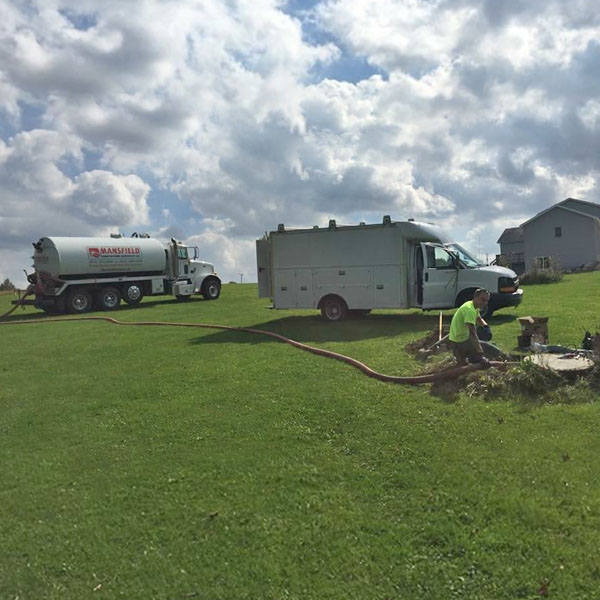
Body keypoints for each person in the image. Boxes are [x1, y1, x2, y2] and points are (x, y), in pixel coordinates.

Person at [449, 288, 491, 367]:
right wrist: (480, 353)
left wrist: (486, 326)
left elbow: (478, 318)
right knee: (487, 350)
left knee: (484, 345)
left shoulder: (473, 305)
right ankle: (474, 359)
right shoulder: (469, 310)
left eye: (487, 301)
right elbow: (472, 333)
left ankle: (471, 358)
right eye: (483, 299)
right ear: (475, 297)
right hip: (459, 342)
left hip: (459, 339)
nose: (485, 303)